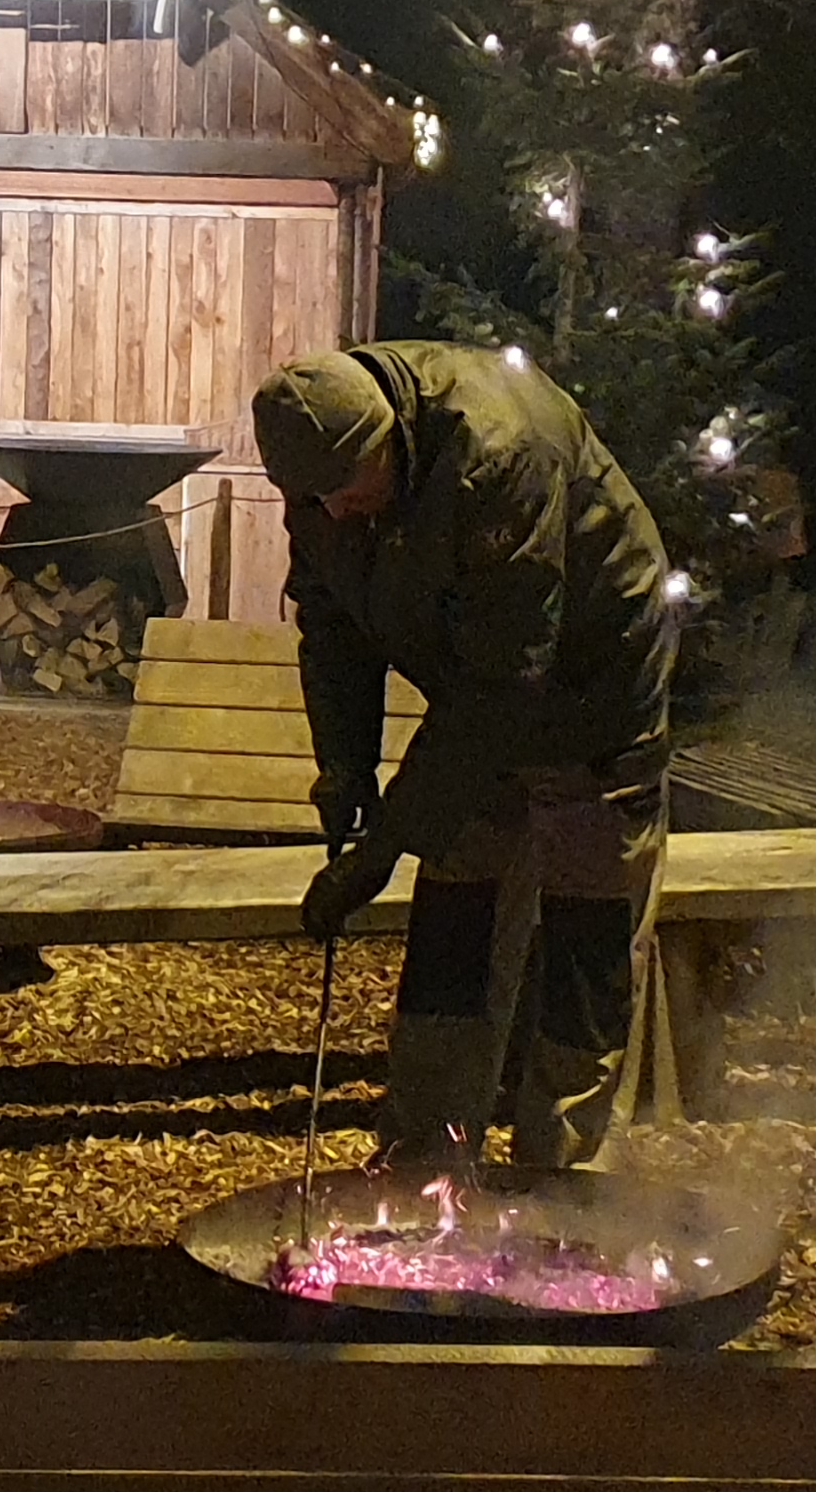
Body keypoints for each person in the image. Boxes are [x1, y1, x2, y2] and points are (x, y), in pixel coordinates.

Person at [256, 340, 679, 1170]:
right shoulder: (319, 479)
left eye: (350, 487)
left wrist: (383, 849)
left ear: (390, 435)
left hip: (593, 687)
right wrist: (344, 765)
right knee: (457, 923)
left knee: (587, 934)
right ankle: (427, 1161)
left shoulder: (498, 456)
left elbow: (505, 683)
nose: (337, 512)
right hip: (479, 694)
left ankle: (566, 1173)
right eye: (317, 498)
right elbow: (332, 626)